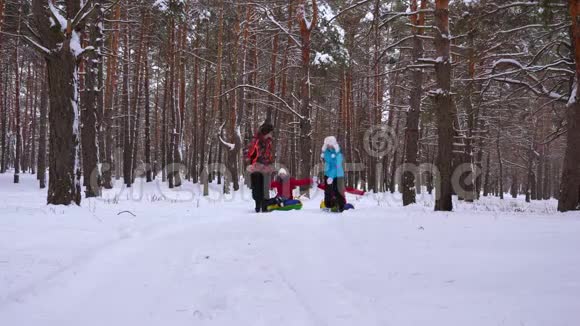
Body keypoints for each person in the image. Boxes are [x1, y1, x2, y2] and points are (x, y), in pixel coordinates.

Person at [245, 122, 275, 212]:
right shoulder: (256, 140)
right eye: (270, 132)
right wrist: (250, 161)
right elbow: (247, 151)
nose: (271, 134)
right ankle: (258, 205)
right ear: (266, 132)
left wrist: (270, 163)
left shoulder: (269, 141)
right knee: (257, 187)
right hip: (256, 167)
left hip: (265, 167)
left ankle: (265, 206)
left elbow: (269, 154)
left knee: (265, 188)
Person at [321, 136, 346, 212]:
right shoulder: (326, 152)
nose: (329, 146)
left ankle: (341, 206)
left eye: (330, 144)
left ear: (334, 144)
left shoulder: (338, 154)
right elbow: (327, 163)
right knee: (328, 191)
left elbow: (337, 166)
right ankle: (329, 205)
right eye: (327, 144)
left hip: (338, 175)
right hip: (328, 174)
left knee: (337, 191)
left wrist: (331, 177)